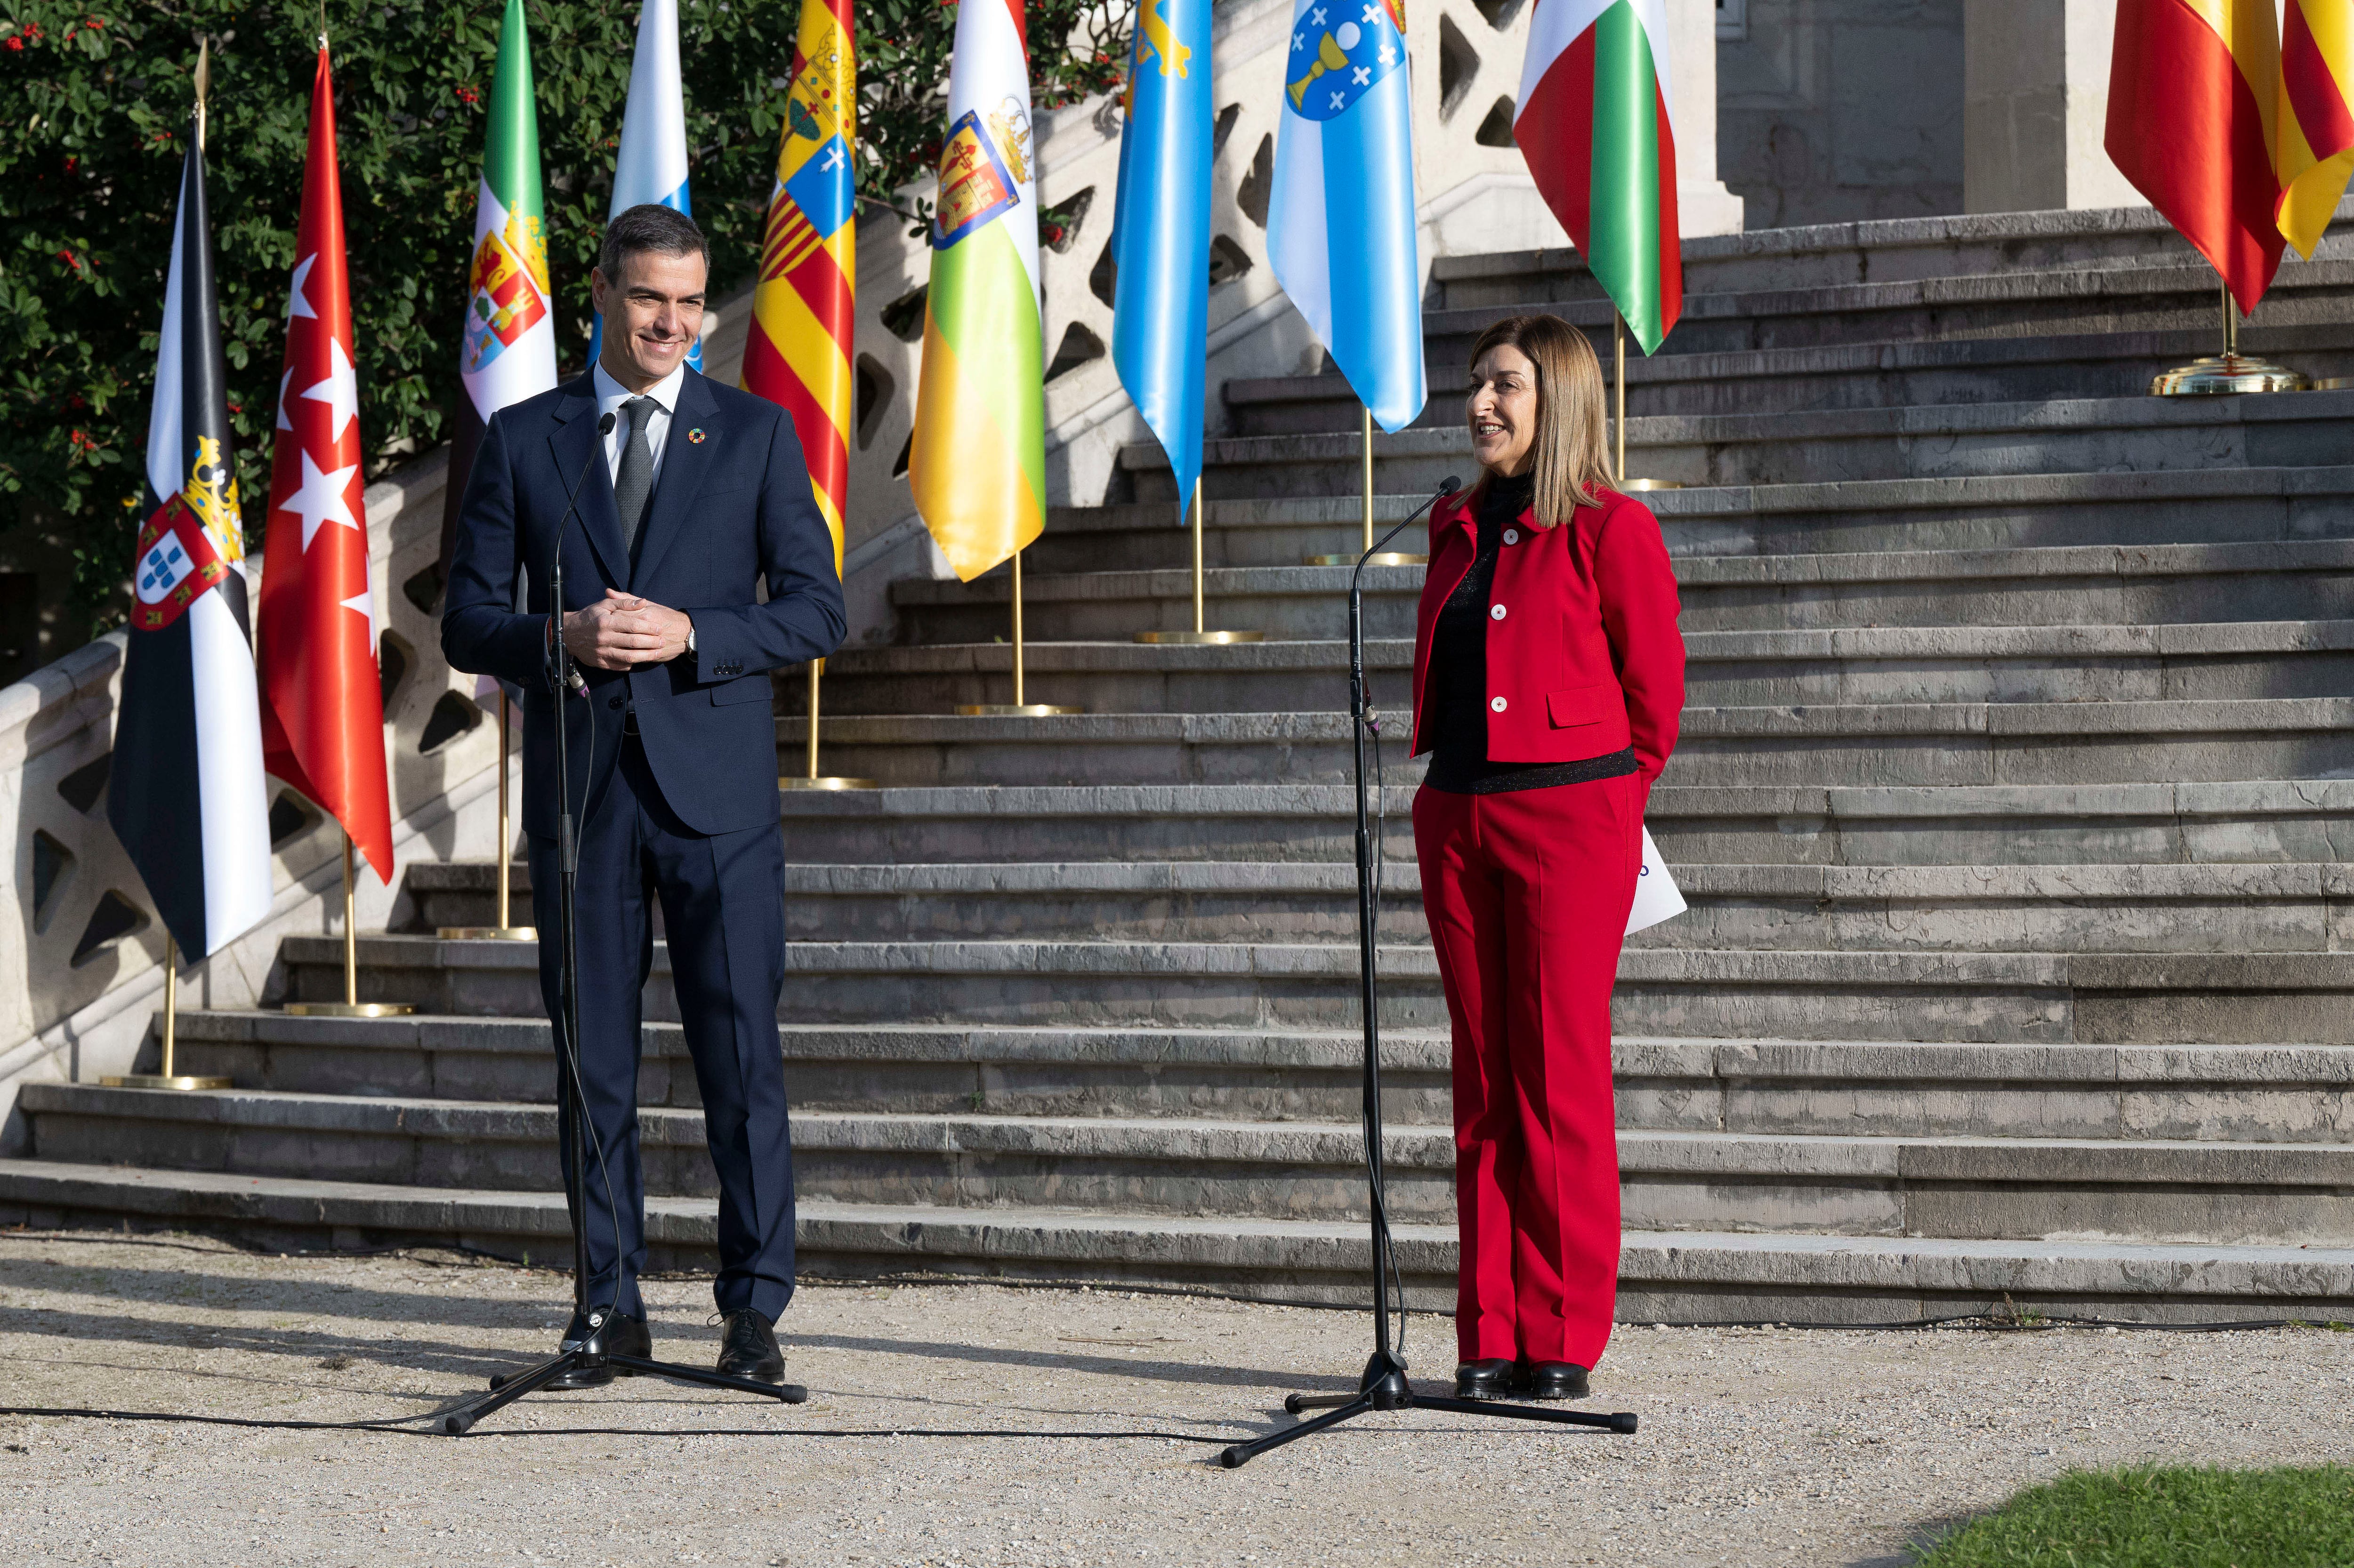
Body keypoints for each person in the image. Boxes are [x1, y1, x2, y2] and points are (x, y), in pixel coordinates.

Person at [442, 203, 845, 1386]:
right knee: (592, 1068)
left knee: (740, 1061)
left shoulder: (761, 434)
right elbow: (464, 617)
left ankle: (754, 1312)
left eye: (688, 302)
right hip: (582, 801)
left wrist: (694, 634)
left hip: (719, 803)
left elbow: (817, 608)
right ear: (604, 303)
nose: (670, 322)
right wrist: (557, 634)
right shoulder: (526, 438)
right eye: (647, 300)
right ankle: (606, 1308)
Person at [1409, 313, 1686, 1403]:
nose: (1481, 402)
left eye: (1506, 386)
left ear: (1558, 397)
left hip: (1569, 819)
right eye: (1477, 383)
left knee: (1555, 1077)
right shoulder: (1452, 525)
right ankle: (1486, 1328)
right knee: (1479, 1079)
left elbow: (1653, 703)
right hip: (1457, 816)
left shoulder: (1611, 528)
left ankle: (1560, 1333)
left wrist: (1607, 807)